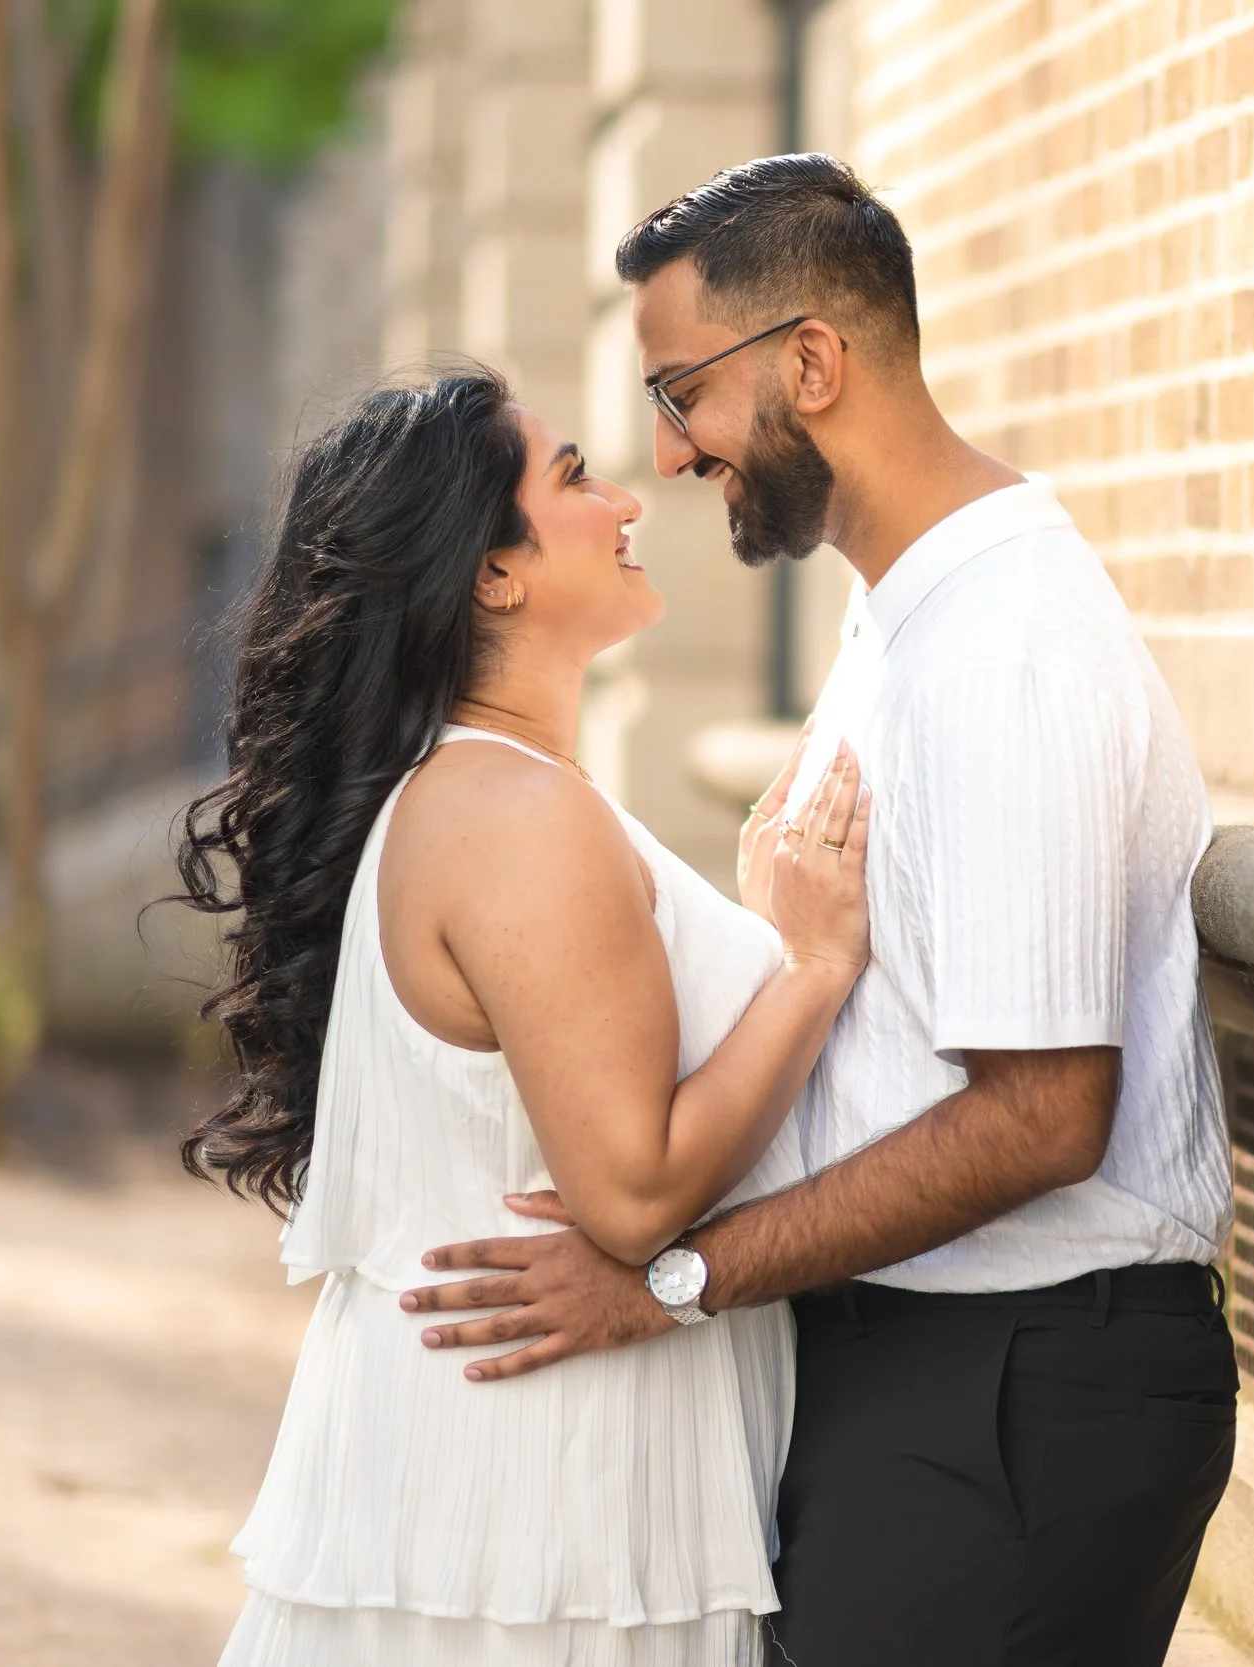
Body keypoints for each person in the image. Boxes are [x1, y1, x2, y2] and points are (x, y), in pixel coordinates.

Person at [403, 154, 1240, 1666]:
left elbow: (1046, 1113)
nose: (667, 455)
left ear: (811, 362)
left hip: (1020, 1386)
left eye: (681, 396)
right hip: (918, 1368)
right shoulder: (899, 619)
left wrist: (676, 1278)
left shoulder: (1000, 658)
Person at [175, 368, 873, 1666]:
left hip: (515, 1476)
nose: (623, 498)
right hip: (539, 1499)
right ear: (491, 574)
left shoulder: (490, 796)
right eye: (568, 478)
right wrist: (815, 966)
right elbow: (633, 1186)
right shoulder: (510, 813)